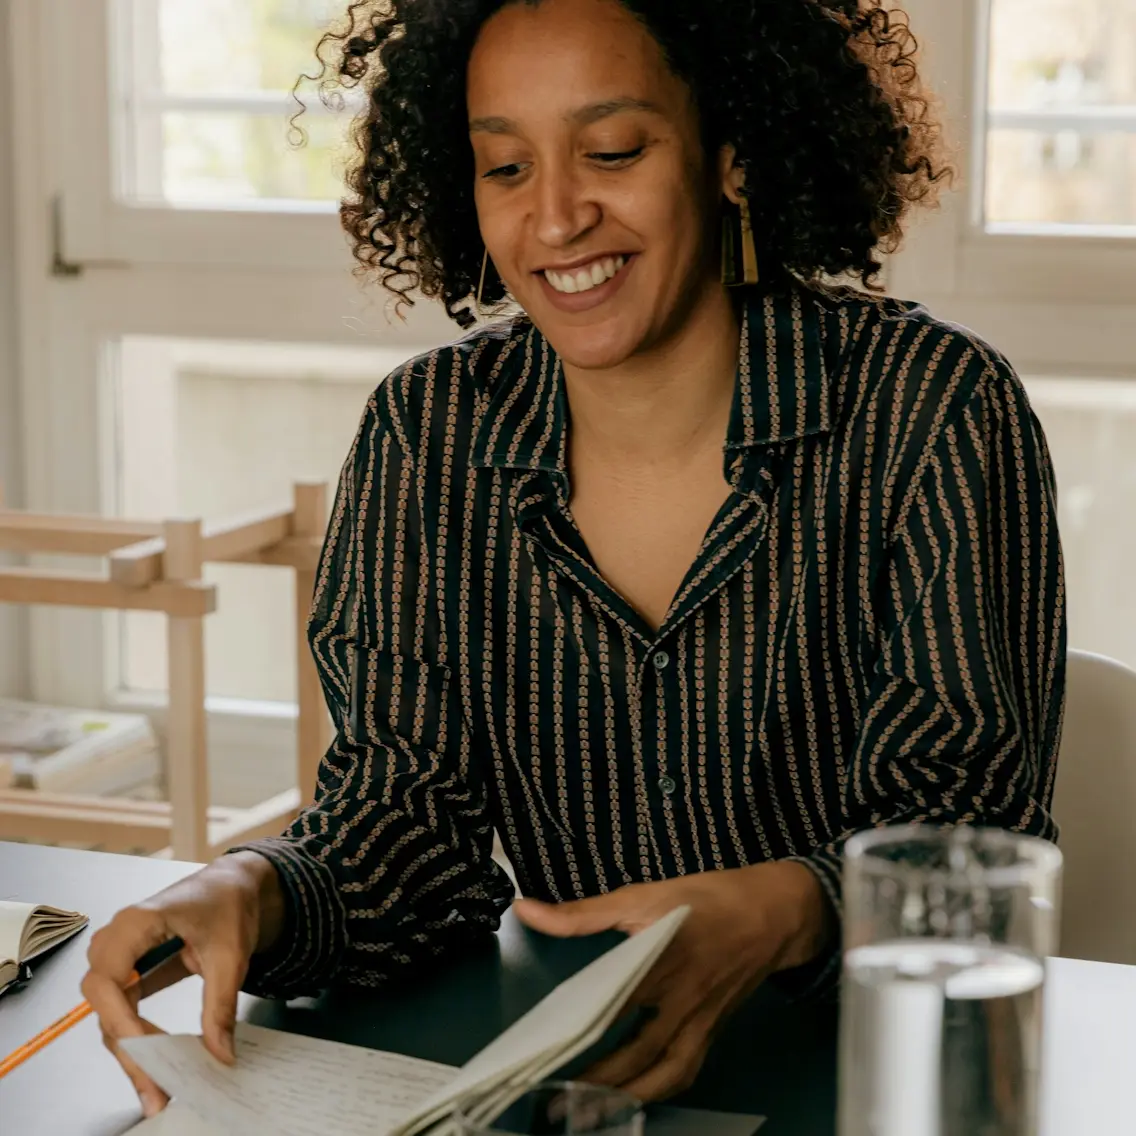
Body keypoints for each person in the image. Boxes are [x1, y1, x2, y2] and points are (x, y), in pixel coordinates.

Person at [83, 0, 1067, 1118]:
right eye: (504, 165)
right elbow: (408, 823)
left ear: (730, 154)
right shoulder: (431, 431)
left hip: (874, 1082)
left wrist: (794, 902)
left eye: (611, 151)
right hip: (573, 1087)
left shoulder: (932, 410)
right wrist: (252, 886)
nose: (554, 215)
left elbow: (967, 839)